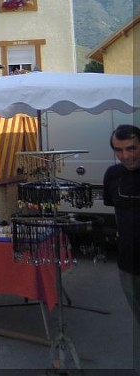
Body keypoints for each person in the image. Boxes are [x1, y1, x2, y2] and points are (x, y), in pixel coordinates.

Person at [103, 124, 140, 326]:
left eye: (131, 148)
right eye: (119, 150)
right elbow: (118, 212)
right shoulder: (113, 175)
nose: (125, 155)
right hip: (129, 265)